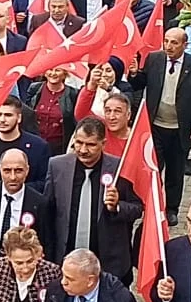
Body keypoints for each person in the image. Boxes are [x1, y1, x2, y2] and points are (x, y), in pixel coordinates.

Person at [44, 119, 142, 285]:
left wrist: (117, 206)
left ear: (103, 144)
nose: (83, 150)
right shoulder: (57, 166)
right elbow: (47, 210)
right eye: (79, 143)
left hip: (109, 263)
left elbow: (137, 208)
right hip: (66, 261)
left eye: (90, 145)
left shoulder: (120, 168)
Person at [137, 29, 191, 221]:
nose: (169, 46)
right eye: (166, 41)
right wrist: (133, 73)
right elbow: (140, 83)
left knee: (175, 172)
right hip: (155, 125)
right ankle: (152, 205)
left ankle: (172, 209)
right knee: (154, 168)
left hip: (180, 129)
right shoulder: (154, 59)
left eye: (174, 43)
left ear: (184, 45)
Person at [0, 148, 53, 250]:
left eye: (18, 171)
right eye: (7, 171)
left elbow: (46, 243)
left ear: (27, 170)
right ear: (0, 169)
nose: (12, 177)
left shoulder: (39, 202)